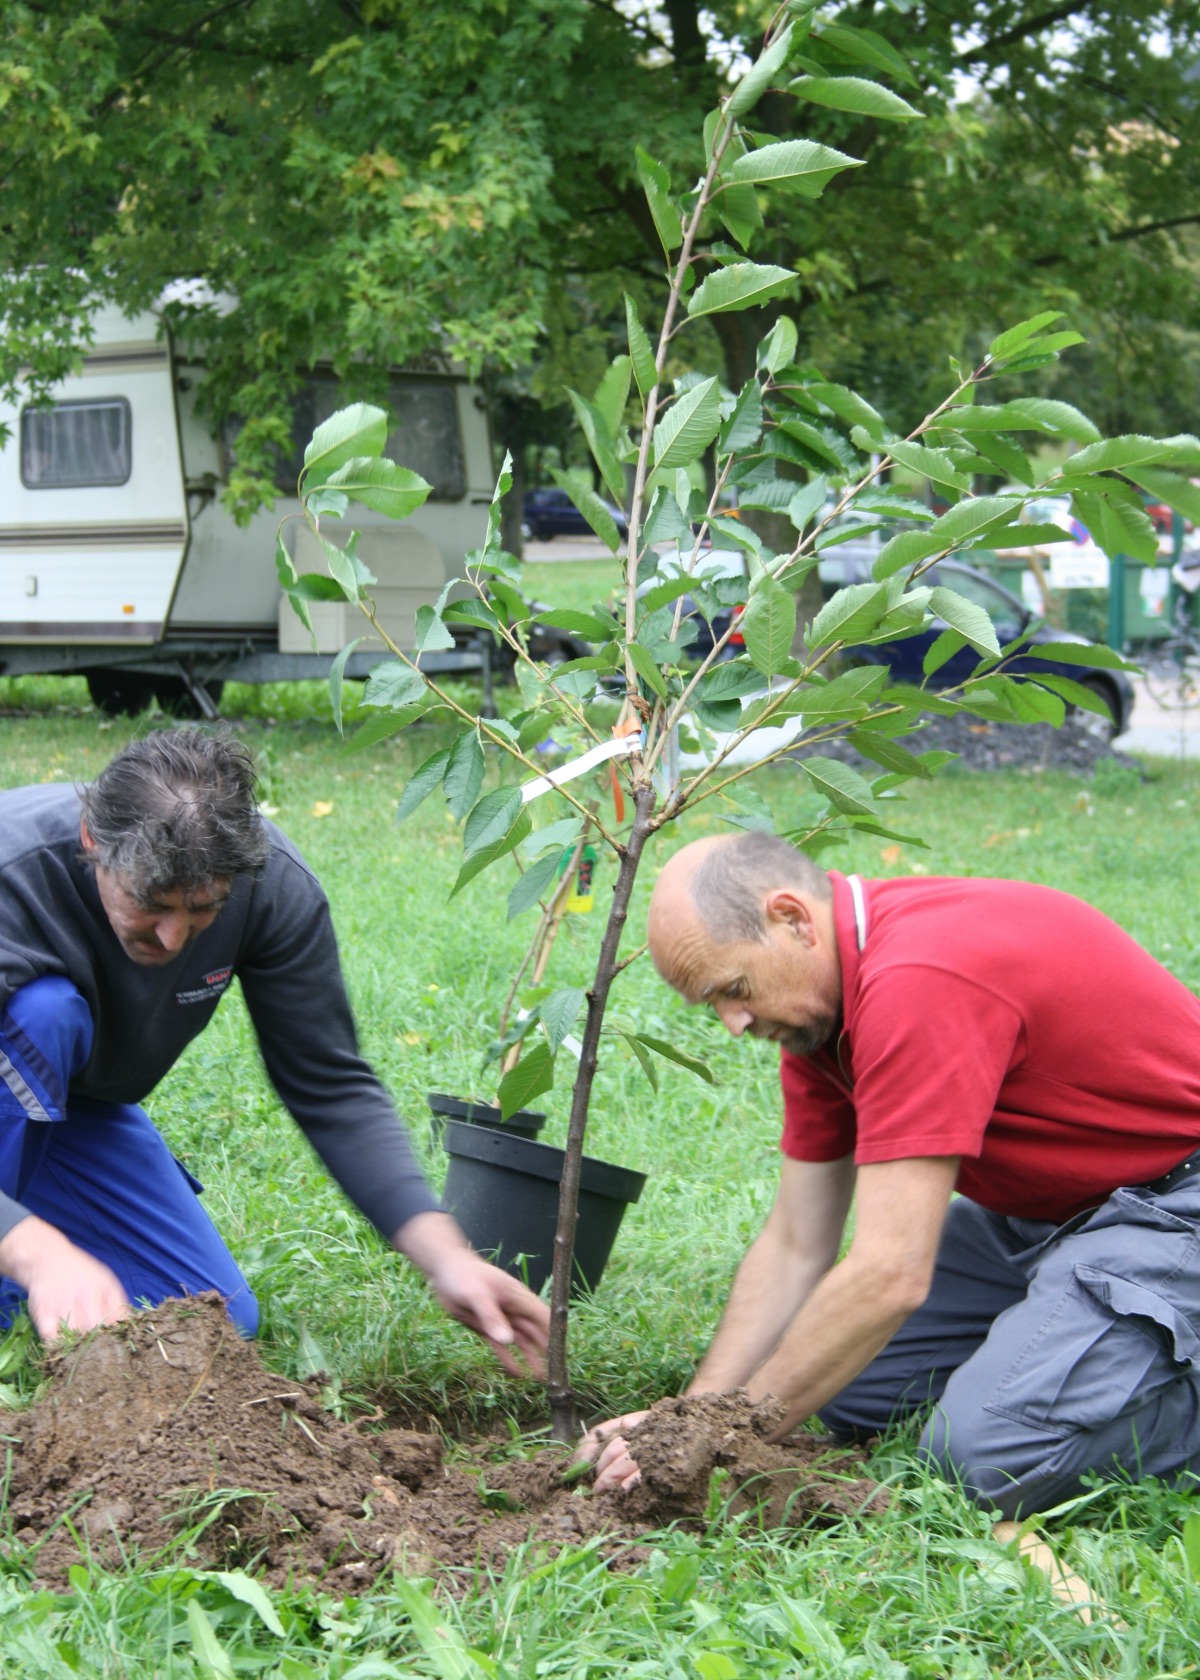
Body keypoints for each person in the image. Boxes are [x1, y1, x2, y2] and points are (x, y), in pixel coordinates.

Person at [586, 831, 1200, 1518]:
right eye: (714, 1004)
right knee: (854, 1387)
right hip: (1058, 1215)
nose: (733, 1023)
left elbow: (890, 1272)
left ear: (793, 920)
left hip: (1176, 1203)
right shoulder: (819, 1021)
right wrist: (690, 1420)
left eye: (734, 989)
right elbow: (796, 1242)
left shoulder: (919, 981)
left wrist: (716, 1442)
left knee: (981, 1456)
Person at [0, 727, 548, 1375]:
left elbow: (329, 1084)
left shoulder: (269, 888)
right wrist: (35, 1250)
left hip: (71, 1106)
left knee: (209, 1319)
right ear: (93, 841)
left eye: (201, 911)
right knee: (45, 1013)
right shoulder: (15, 877)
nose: (174, 938)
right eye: (151, 903)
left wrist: (447, 1257)